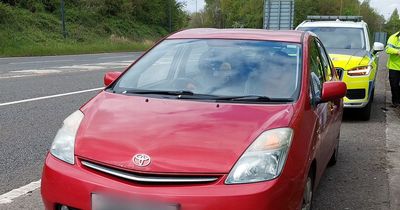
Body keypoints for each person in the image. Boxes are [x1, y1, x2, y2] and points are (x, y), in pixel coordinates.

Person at [386, 31, 400, 107]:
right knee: (394, 85)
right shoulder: (394, 37)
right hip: (394, 67)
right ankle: (396, 102)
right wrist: (397, 51)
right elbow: (388, 49)